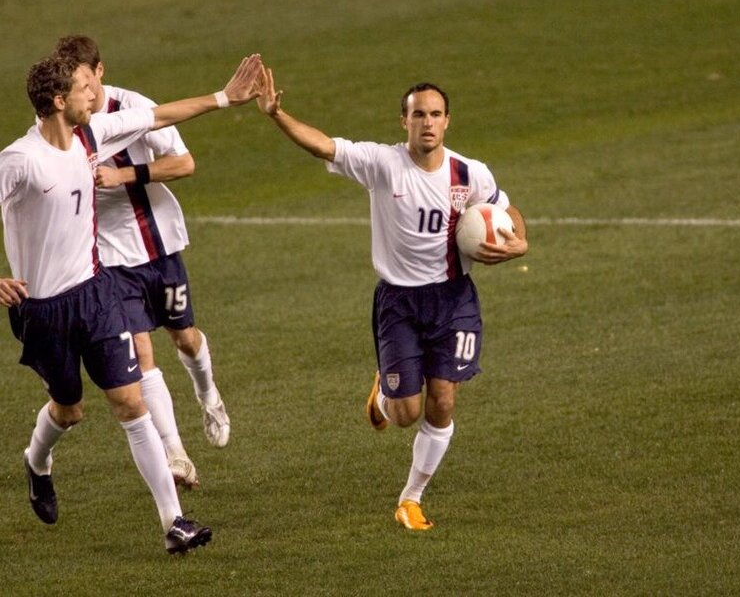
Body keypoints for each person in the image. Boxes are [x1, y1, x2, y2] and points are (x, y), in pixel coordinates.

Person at [0, 53, 262, 553]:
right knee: (69, 410)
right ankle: (37, 461)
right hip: (44, 312)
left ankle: (174, 523)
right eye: (81, 89)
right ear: (59, 101)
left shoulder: (91, 135)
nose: (93, 95)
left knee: (130, 402)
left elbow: (158, 115)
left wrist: (226, 97)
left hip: (96, 295)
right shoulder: (20, 161)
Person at [254, 69, 528, 530]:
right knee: (405, 414)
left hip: (454, 299)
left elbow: (505, 208)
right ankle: (384, 395)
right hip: (399, 303)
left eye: (435, 114)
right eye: (418, 115)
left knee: (443, 400)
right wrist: (277, 114)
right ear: (404, 121)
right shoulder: (383, 164)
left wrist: (520, 240)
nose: (427, 123)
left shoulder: (469, 172)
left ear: (447, 121)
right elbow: (324, 146)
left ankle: (410, 499)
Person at [53, 36, 231, 490]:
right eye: (72, 84)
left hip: (158, 244)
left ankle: (208, 393)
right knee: (139, 349)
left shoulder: (132, 107)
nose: (82, 92)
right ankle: (176, 453)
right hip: (110, 256)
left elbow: (184, 164)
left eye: (86, 81)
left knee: (184, 337)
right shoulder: (62, 122)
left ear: (100, 71)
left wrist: (124, 175)